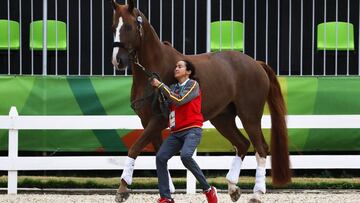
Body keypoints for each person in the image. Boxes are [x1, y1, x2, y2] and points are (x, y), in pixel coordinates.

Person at [150, 60, 218, 203]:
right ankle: (166, 197)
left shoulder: (193, 85)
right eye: (175, 66)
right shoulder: (173, 87)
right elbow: (168, 105)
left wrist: (161, 86)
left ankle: (208, 189)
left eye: (180, 66)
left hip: (192, 129)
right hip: (176, 132)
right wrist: (160, 92)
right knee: (160, 157)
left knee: (186, 156)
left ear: (188, 72)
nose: (176, 68)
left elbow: (179, 100)